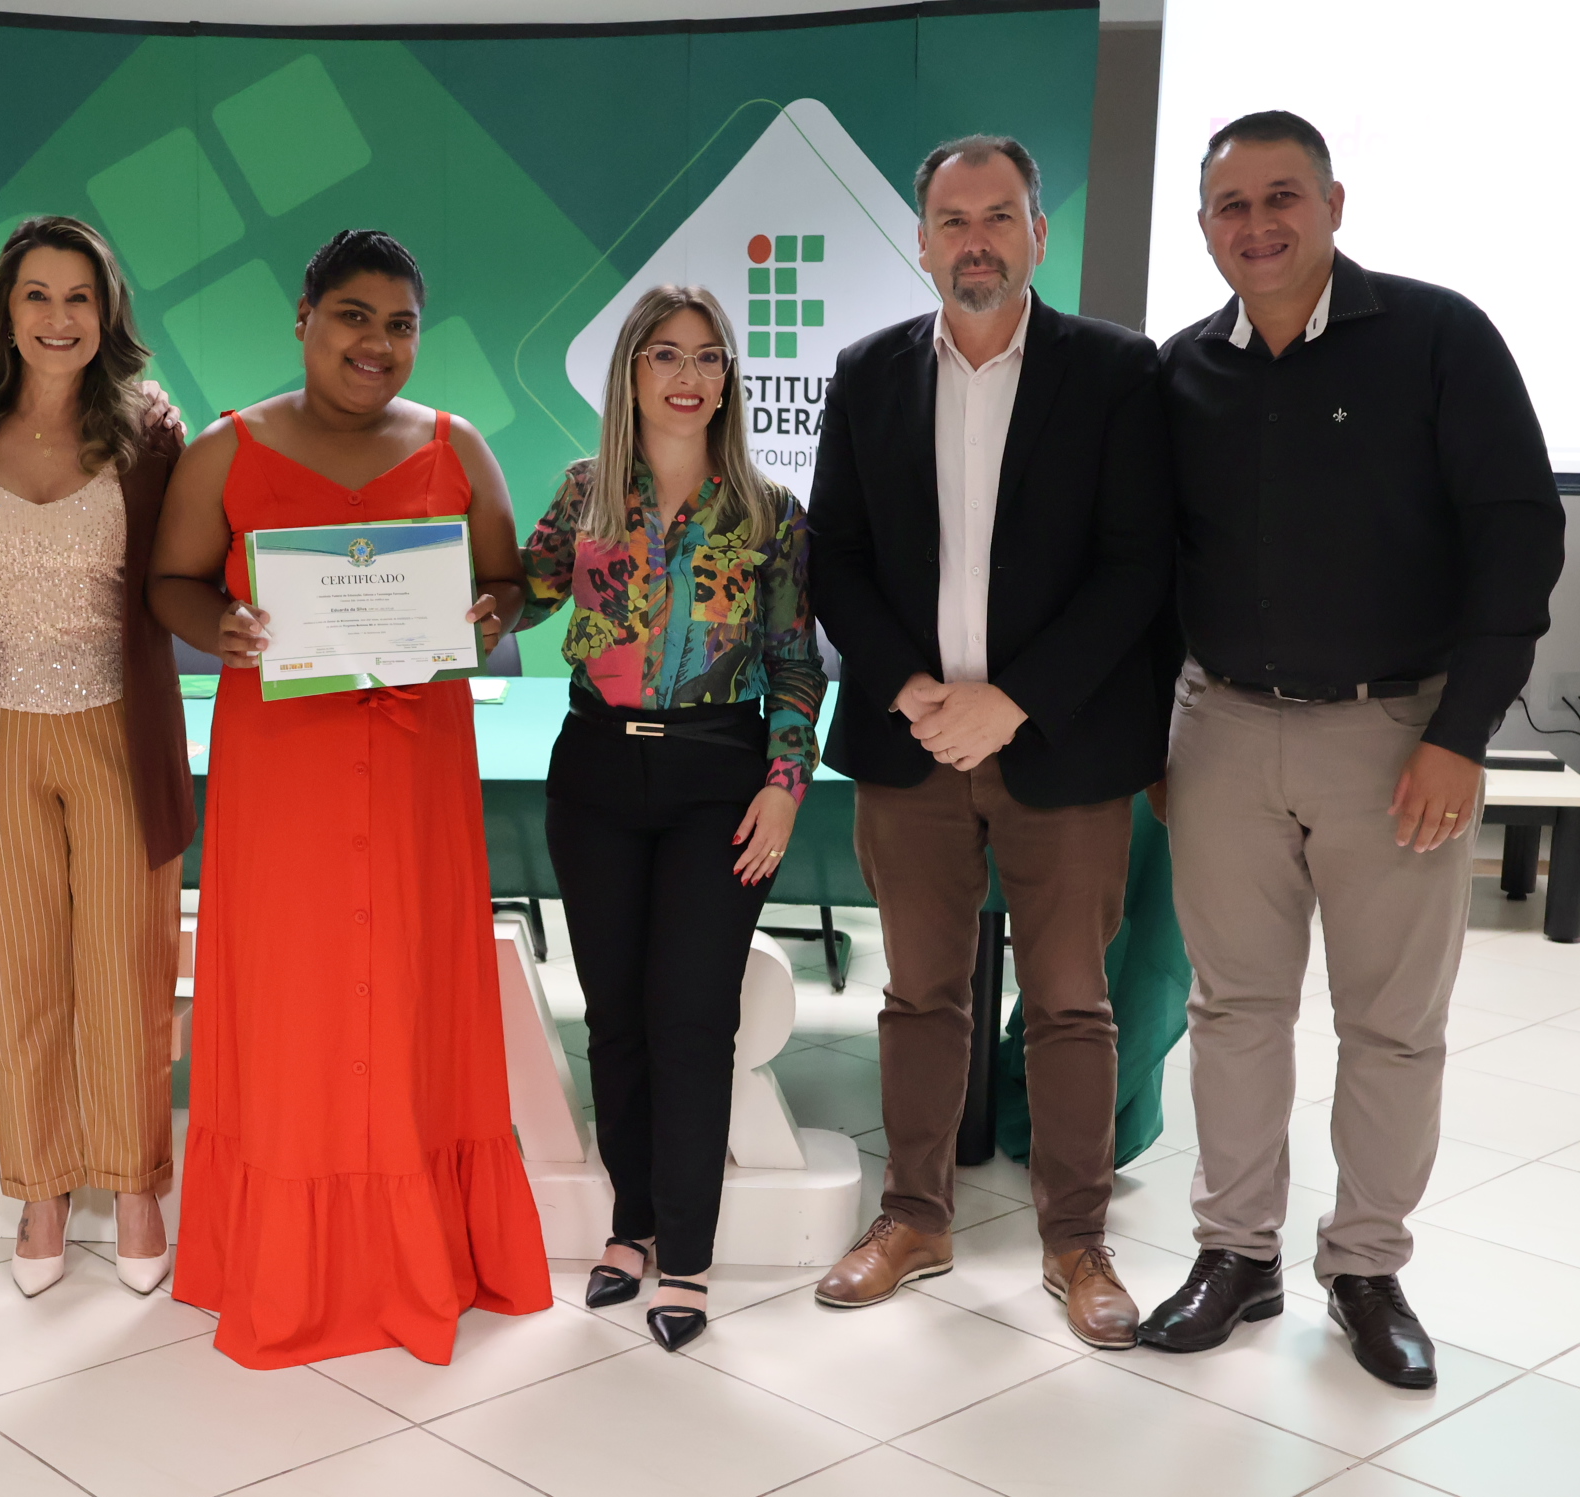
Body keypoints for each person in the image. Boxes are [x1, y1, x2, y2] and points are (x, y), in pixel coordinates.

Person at [1137, 112, 1564, 1387]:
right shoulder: (1179, 370)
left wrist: (1461, 736)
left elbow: (1517, 540)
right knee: (1233, 1009)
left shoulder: (1439, 337)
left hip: (1397, 738)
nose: (1258, 225)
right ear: (1203, 227)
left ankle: (1367, 1267)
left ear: (1334, 203)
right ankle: (1237, 1254)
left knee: (1391, 1024)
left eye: (1283, 196)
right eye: (1231, 205)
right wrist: (1157, 736)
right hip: (1220, 732)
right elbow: (1150, 567)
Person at [148, 229, 553, 1368]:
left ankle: (419, 1251)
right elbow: (170, 582)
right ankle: (289, 1263)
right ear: (304, 319)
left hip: (418, 769)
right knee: (295, 1003)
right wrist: (220, 626)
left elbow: (509, 584)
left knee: (414, 990)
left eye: (401, 324)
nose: (377, 343)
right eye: (353, 317)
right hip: (284, 769)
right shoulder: (227, 450)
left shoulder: (456, 448)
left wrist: (493, 612)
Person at [804, 135, 1176, 1348]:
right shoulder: (866, 373)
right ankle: (914, 1217)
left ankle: (1077, 1240)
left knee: (1072, 1002)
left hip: (1060, 745)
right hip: (910, 743)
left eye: (999, 216)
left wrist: (1012, 701)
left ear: (1037, 233)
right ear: (921, 243)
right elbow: (836, 557)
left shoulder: (1116, 371)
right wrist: (911, 686)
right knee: (920, 995)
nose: (976, 240)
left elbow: (1137, 566)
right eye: (953, 221)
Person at [516, 285, 822, 1352]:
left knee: (692, 1018)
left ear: (729, 379)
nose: (688, 377)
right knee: (615, 1017)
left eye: (707, 357)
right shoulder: (585, 493)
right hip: (596, 770)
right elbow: (520, 593)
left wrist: (784, 784)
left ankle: (686, 1254)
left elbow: (795, 664)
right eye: (665, 356)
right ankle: (631, 1224)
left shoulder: (771, 513)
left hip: (718, 778)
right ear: (632, 374)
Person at [0, 217, 192, 1297]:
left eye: (80, 297)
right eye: (37, 295)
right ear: (5, 311)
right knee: (20, 977)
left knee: (126, 972)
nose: (59, 318)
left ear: (108, 314)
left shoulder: (152, 434)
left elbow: (190, 572)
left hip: (119, 733)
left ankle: (138, 1183)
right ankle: (43, 1190)